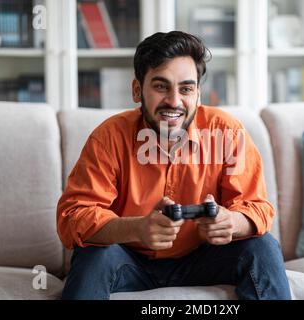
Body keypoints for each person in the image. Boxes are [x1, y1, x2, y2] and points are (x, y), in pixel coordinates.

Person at [57, 31, 291, 300]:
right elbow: (73, 217)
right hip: (128, 260)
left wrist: (231, 222)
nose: (174, 101)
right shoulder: (109, 137)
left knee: (263, 247)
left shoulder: (227, 132)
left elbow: (259, 209)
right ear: (137, 90)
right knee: (93, 254)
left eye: (186, 89)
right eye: (160, 86)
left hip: (205, 260)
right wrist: (137, 229)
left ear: (198, 95)